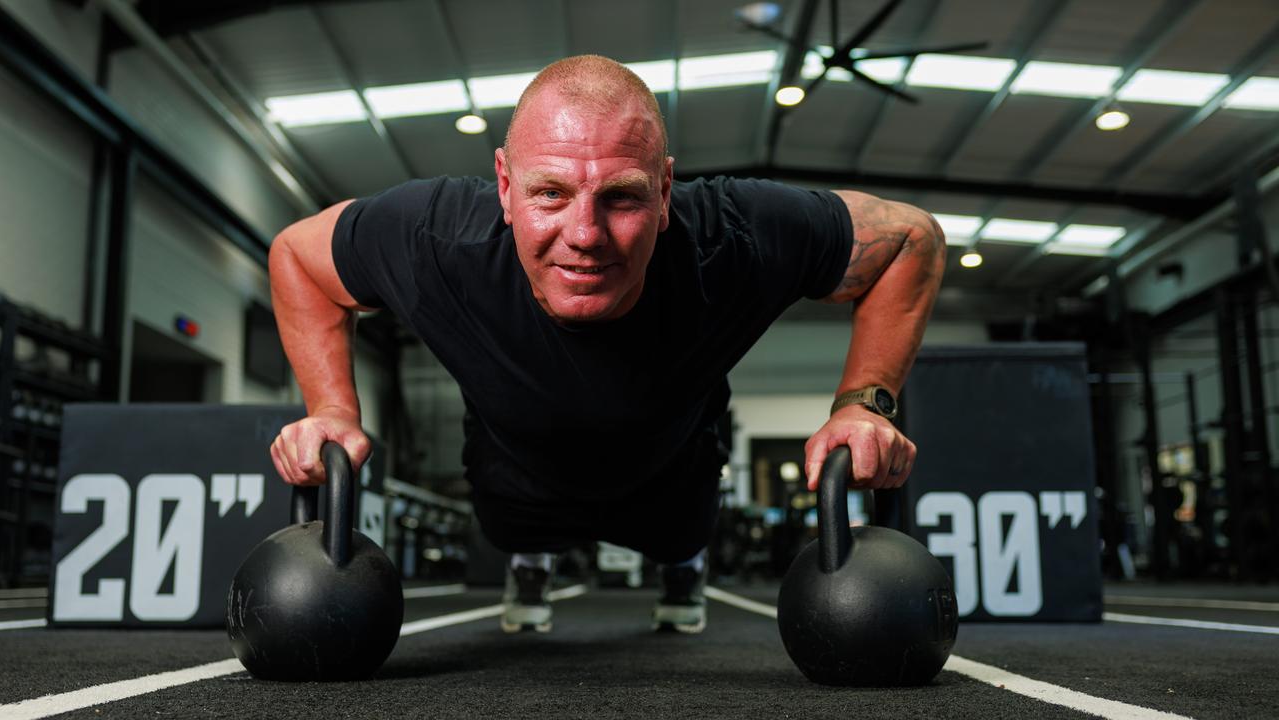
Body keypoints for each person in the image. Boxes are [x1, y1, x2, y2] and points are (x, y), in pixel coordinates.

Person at [267, 55, 945, 635]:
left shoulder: (732, 235)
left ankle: (684, 569)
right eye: (550, 193)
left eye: (621, 198)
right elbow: (297, 256)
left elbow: (911, 240)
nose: (585, 234)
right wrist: (333, 410)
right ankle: (530, 564)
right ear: (505, 185)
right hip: (516, 471)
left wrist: (865, 404)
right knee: (509, 532)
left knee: (683, 534)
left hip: (673, 469)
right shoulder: (436, 240)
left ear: (666, 190)